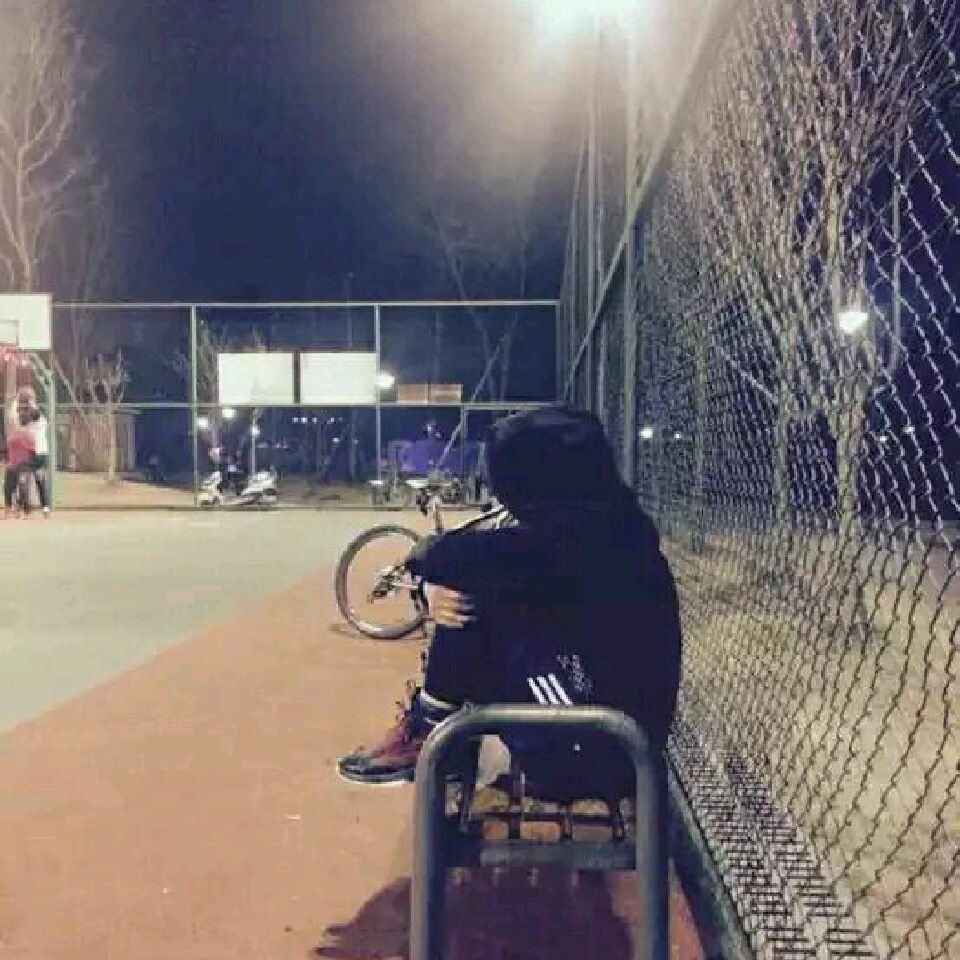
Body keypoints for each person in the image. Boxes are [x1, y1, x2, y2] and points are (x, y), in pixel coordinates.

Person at [337, 406, 682, 797]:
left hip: (601, 750)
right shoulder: (608, 522)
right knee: (489, 597)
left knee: (477, 600)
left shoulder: (586, 540)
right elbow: (472, 558)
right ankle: (434, 725)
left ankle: (431, 731)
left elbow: (448, 557)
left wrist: (433, 578)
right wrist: (435, 584)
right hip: (602, 724)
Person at [3, 406, 36, 518]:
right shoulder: (14, 432)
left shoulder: (29, 434)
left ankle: (25, 511)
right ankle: (8, 510)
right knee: (8, 488)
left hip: (24, 465)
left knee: (23, 488)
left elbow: (32, 452)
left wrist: (30, 466)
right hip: (12, 464)